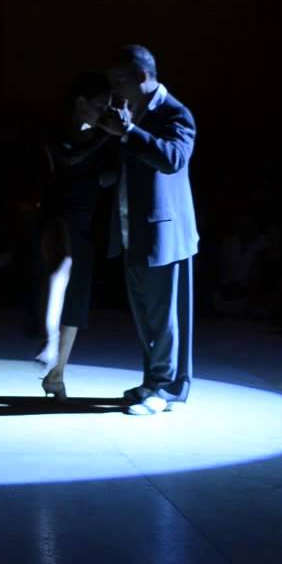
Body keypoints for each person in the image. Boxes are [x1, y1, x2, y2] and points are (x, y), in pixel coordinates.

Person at [97, 45, 200, 416]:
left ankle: (167, 389)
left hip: (164, 232)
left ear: (142, 77)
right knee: (147, 315)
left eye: (119, 82)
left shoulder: (174, 113)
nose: (115, 91)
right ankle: (154, 381)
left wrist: (128, 132)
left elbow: (172, 160)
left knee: (165, 314)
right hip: (134, 229)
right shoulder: (133, 113)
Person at [29, 70, 116, 400]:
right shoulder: (57, 130)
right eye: (99, 105)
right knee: (61, 269)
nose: (104, 112)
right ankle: (49, 342)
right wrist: (108, 135)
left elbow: (110, 175)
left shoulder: (104, 138)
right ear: (80, 102)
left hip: (86, 219)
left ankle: (57, 374)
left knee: (77, 297)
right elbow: (68, 158)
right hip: (57, 213)